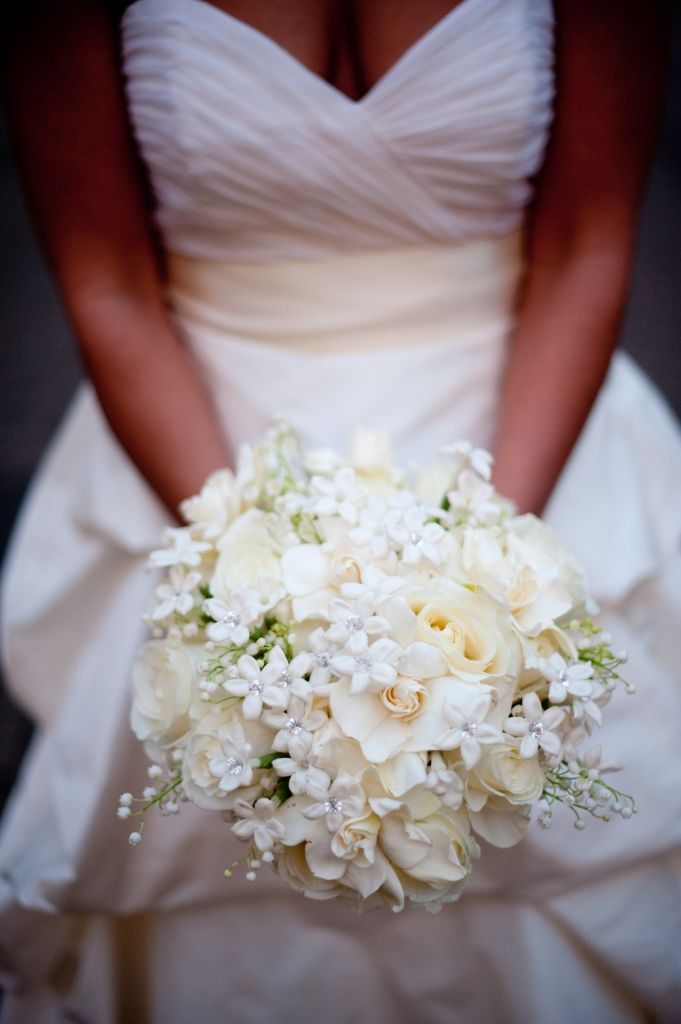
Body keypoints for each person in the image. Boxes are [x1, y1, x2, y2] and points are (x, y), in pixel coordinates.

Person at [1, 0, 680, 1021]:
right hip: (199, 436)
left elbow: (588, 237)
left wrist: (482, 564)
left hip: (526, 427)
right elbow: (106, 281)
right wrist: (249, 582)